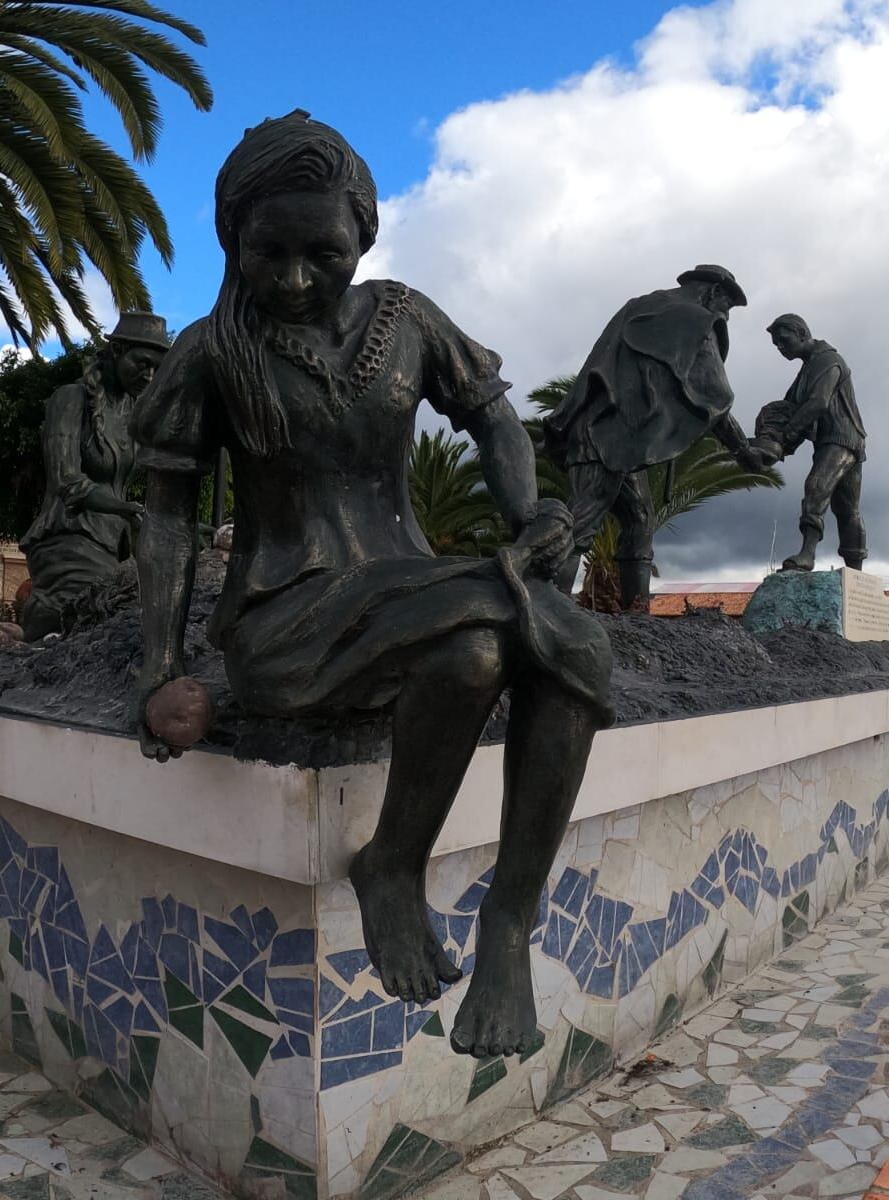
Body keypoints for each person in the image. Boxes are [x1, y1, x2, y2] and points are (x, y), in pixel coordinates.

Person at [131, 111, 614, 1058]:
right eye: (270, 252)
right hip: (284, 618)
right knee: (480, 648)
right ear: (233, 238)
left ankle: (508, 923)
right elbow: (164, 514)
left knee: (567, 650)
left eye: (326, 251)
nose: (297, 277)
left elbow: (496, 421)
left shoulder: (406, 318)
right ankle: (391, 864)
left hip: (409, 586)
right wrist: (159, 669)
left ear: (364, 236)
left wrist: (528, 514)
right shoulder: (210, 352)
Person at [541, 266, 768, 611]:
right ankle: (550, 611)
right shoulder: (695, 321)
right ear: (713, 292)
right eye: (727, 306)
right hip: (601, 436)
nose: (725, 315)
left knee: (640, 518)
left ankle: (638, 611)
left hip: (615, 437)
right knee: (583, 520)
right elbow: (714, 398)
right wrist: (745, 452)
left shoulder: (642, 306)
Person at [19, 313, 169, 640]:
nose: (149, 375)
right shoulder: (70, 399)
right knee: (94, 614)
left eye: (157, 368)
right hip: (69, 537)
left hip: (115, 544)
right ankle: (44, 615)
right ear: (116, 350)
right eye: (142, 363)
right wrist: (125, 509)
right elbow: (65, 482)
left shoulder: (136, 415)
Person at [752, 313, 868, 572]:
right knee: (846, 508)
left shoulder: (827, 360)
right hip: (832, 440)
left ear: (802, 333)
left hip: (842, 437)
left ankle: (807, 553)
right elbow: (790, 408)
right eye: (776, 344)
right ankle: (855, 572)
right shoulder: (808, 367)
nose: (781, 347)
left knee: (817, 485)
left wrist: (784, 437)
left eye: (783, 340)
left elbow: (817, 403)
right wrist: (770, 441)